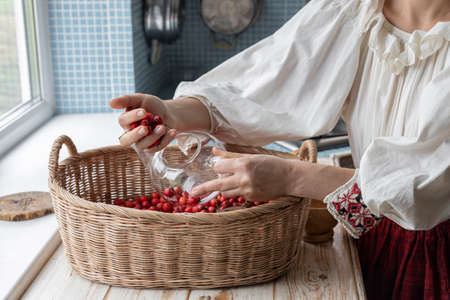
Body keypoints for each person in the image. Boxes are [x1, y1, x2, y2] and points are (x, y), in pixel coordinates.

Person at [110, 0, 450, 298]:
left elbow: (430, 179)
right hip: (372, 238)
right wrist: (172, 113)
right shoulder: (353, 11)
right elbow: (262, 82)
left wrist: (292, 176)